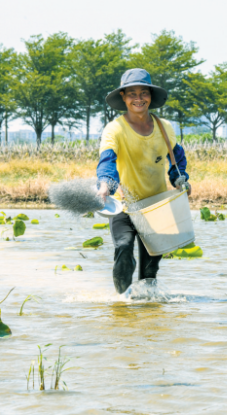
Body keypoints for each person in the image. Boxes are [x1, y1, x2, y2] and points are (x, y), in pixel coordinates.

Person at [96, 68, 191, 294]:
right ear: (123, 97)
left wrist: (180, 179)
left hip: (156, 206)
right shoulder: (114, 129)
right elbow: (107, 160)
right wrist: (105, 185)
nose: (138, 98)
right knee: (123, 247)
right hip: (124, 204)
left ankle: (147, 304)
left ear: (150, 95)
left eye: (143, 93)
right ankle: (123, 303)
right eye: (132, 93)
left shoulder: (164, 127)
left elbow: (176, 158)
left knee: (150, 270)